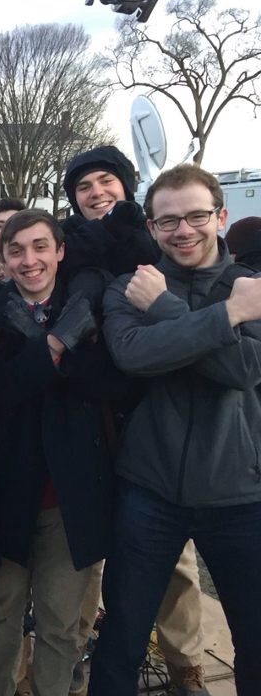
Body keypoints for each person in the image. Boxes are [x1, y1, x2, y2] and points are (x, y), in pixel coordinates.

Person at [90, 164, 261, 695]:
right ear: (151, 226)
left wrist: (164, 310)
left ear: (220, 215)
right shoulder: (129, 285)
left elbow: (242, 371)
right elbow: (133, 355)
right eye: (168, 221)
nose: (183, 230)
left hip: (241, 493)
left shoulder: (250, 289)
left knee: (255, 637)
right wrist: (221, 321)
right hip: (150, 489)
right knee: (122, 635)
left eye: (196, 216)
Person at [0, 210, 122, 696]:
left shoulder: (89, 306)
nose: (29, 260)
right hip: (8, 488)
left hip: (71, 493)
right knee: (1, 611)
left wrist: (54, 349)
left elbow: (104, 383)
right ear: (4, 258)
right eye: (16, 250)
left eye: (40, 247)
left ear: (60, 251)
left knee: (60, 622)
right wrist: (55, 344)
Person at [60, 145, 161, 278]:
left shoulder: (160, 238)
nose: (97, 193)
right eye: (84, 187)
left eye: (106, 181)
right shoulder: (57, 250)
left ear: (125, 187)